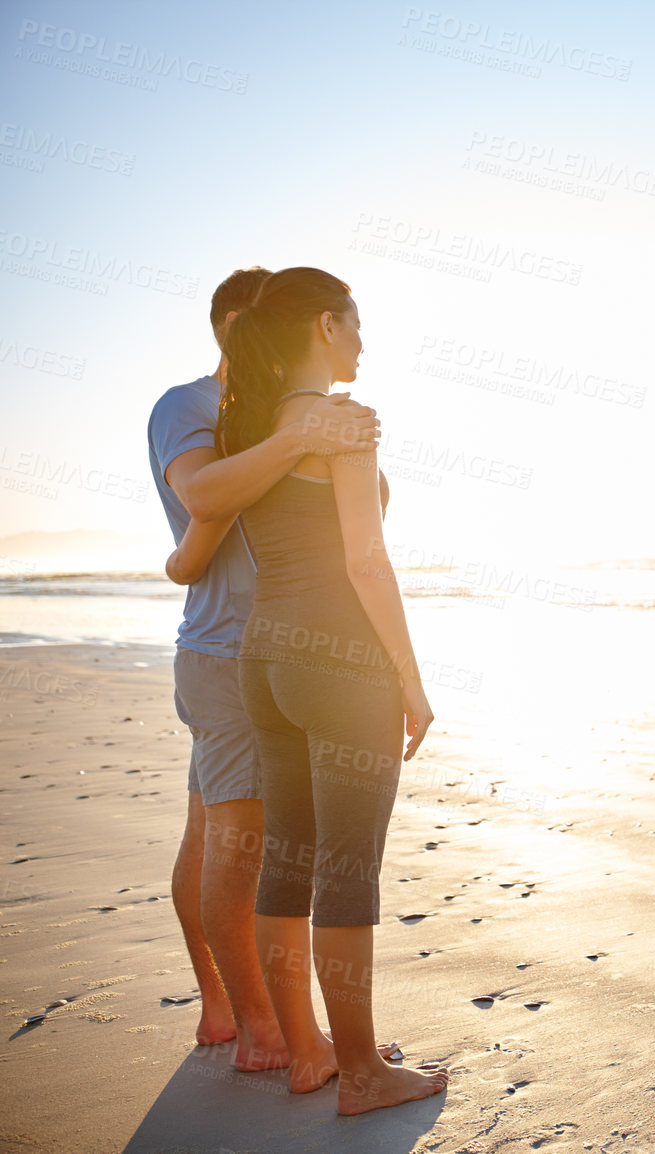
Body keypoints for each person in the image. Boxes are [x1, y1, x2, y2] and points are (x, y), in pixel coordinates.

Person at [208, 265, 447, 1115]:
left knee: (289, 859)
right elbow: (364, 560)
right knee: (348, 869)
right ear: (323, 324)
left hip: (264, 657)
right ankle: (362, 1072)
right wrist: (412, 680)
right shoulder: (341, 422)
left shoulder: (248, 424)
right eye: (354, 322)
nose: (361, 340)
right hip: (339, 662)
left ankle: (309, 1047)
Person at [147, 267, 381, 1072]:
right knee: (244, 842)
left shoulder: (259, 413)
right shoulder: (196, 407)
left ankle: (239, 1015)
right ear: (234, 323)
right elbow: (206, 505)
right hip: (232, 649)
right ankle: (264, 1028)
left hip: (259, 649)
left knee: (218, 831)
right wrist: (301, 439)